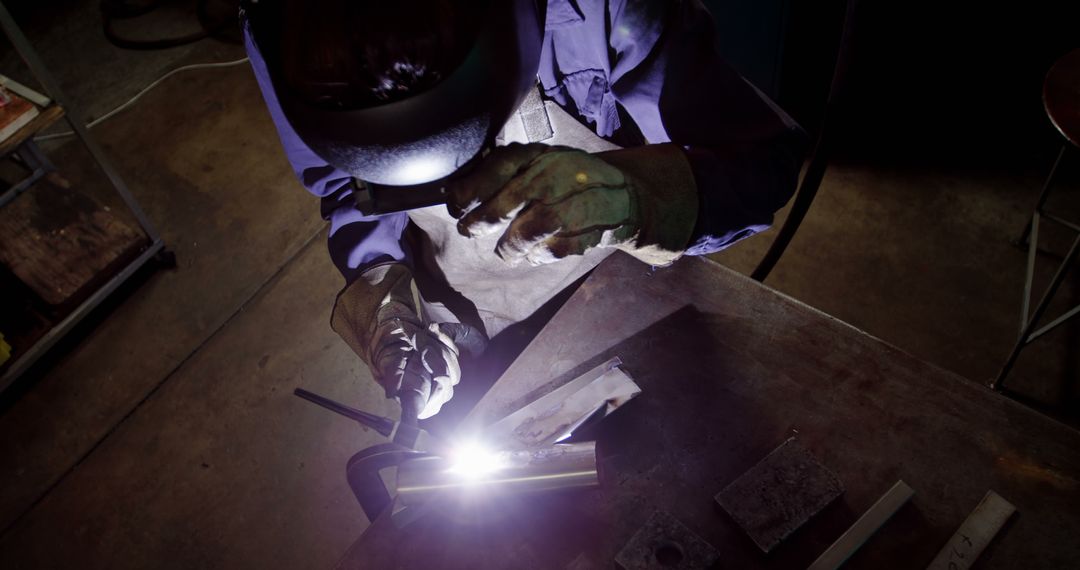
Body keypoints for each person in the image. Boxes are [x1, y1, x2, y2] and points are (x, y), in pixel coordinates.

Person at [241, 0, 807, 422]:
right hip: (467, 335)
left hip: (630, 304)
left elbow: (762, 163)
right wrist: (388, 302)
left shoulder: (601, 11)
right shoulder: (282, 29)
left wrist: (636, 196)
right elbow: (350, 193)